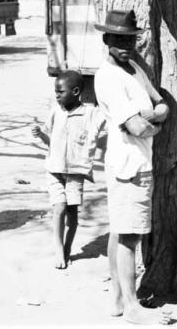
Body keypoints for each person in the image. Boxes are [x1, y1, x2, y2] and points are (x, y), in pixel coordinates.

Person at [93, 10, 172, 325]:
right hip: (129, 165)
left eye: (130, 38)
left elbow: (161, 105)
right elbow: (137, 128)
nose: (126, 44)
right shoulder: (108, 76)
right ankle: (131, 305)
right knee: (130, 237)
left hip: (138, 161)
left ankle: (118, 298)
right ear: (107, 40)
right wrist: (151, 120)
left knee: (121, 232)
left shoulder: (135, 69)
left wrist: (150, 116)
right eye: (119, 39)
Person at [32, 70, 106, 269]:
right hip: (54, 169)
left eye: (60, 92)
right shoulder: (56, 111)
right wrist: (40, 135)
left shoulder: (90, 114)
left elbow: (107, 121)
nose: (56, 95)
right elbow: (51, 143)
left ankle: (67, 248)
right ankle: (58, 249)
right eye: (55, 92)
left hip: (75, 172)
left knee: (72, 213)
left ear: (75, 91)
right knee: (59, 208)